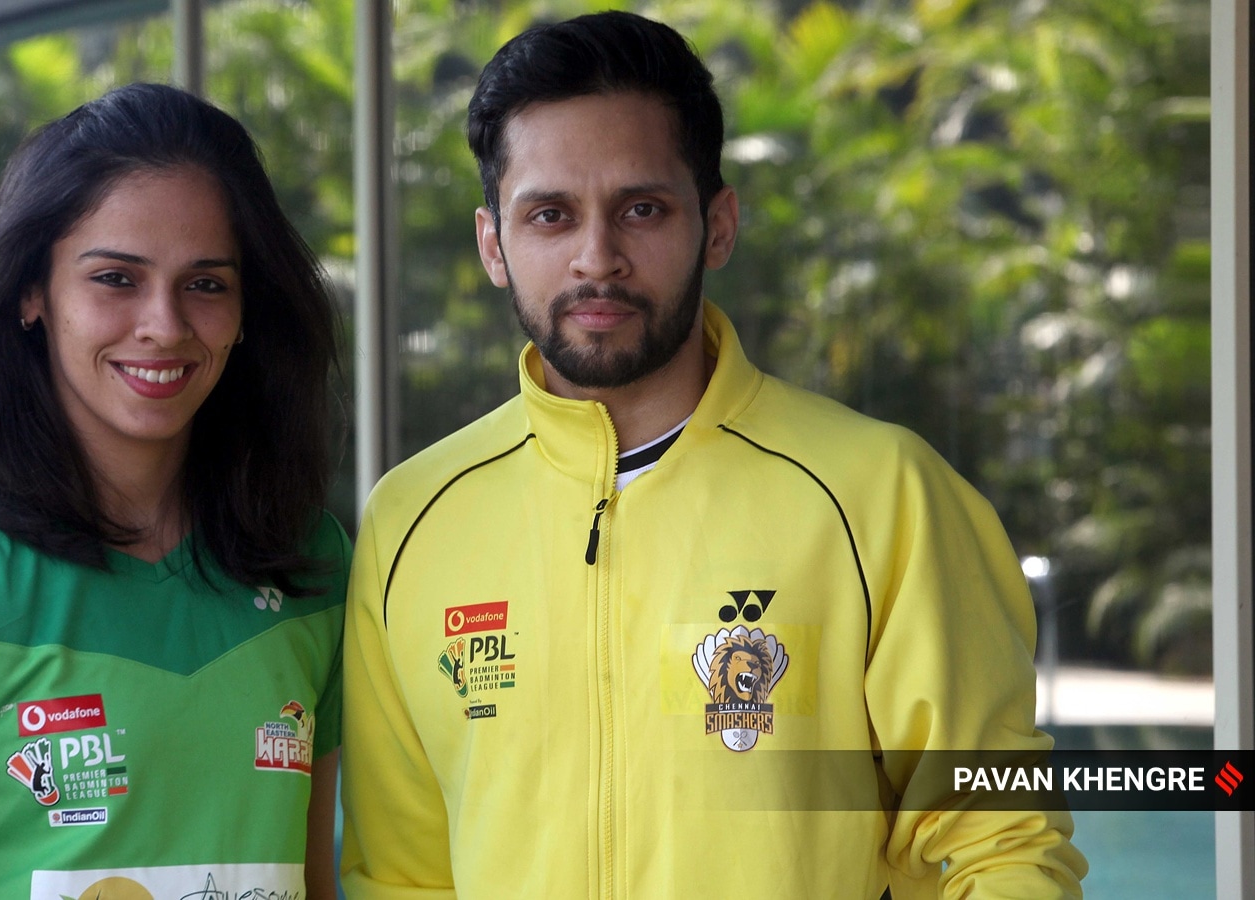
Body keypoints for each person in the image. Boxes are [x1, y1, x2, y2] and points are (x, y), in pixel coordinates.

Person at [340, 11, 1086, 898]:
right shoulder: (412, 523)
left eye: (641, 209)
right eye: (550, 215)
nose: (596, 258)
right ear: (493, 244)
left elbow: (1001, 845)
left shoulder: (881, 495)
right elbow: (403, 877)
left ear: (718, 225)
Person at [0, 84, 346, 899]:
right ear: (31, 292)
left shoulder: (309, 560)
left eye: (206, 284)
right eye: (115, 278)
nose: (164, 325)